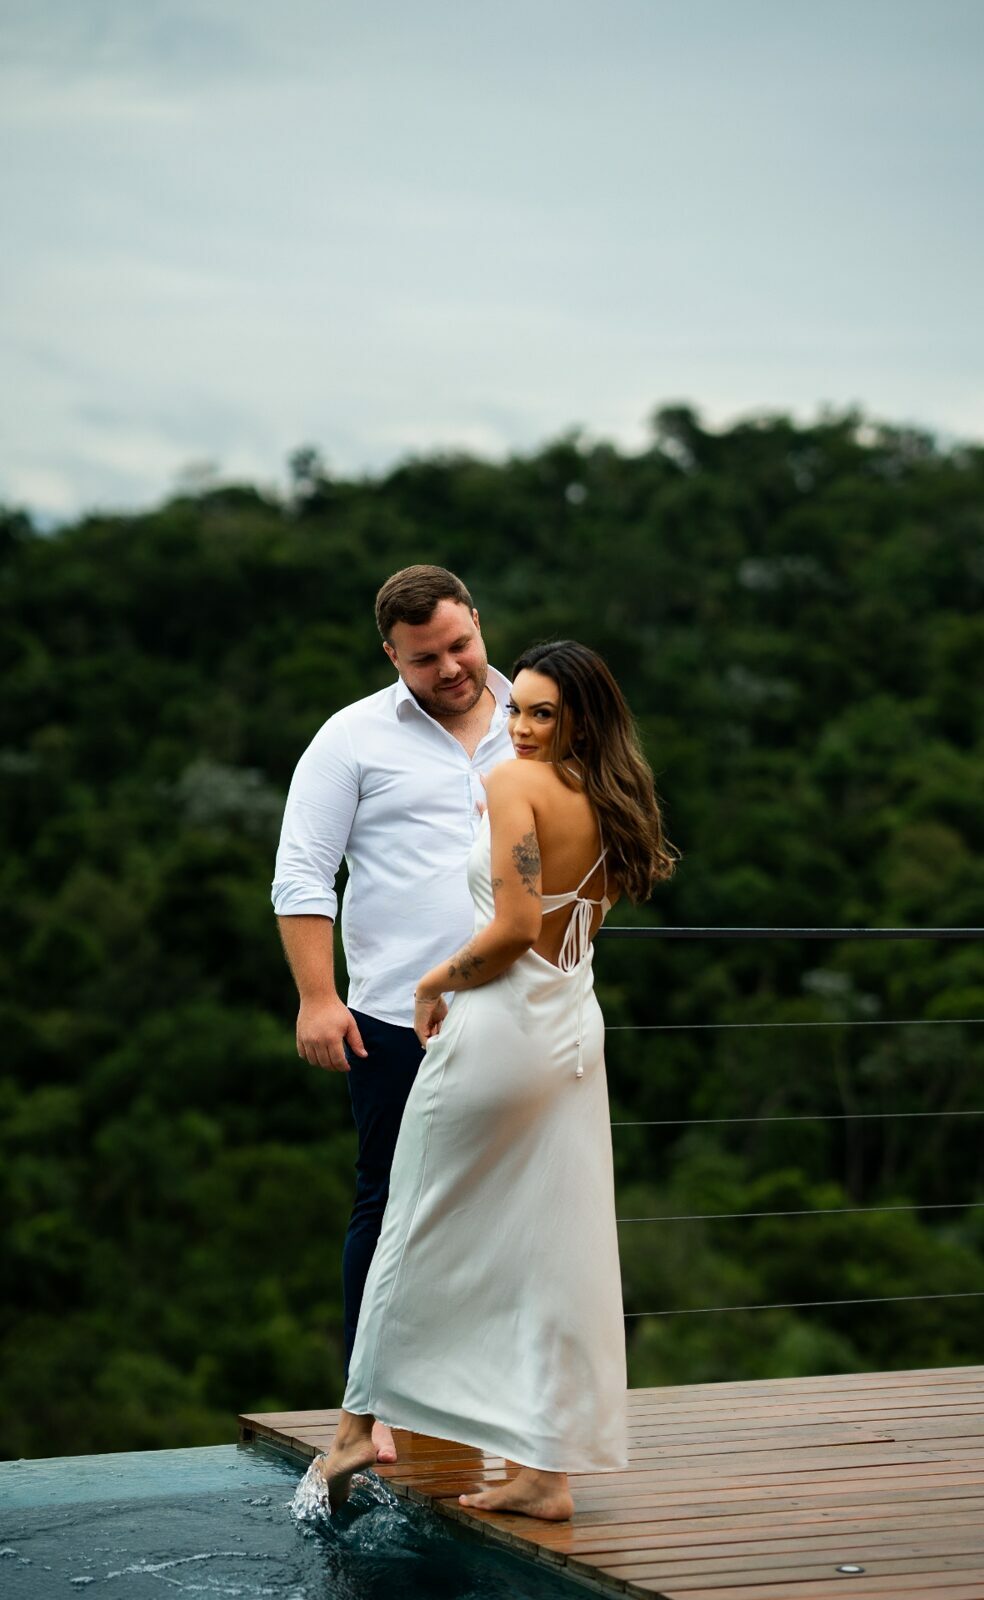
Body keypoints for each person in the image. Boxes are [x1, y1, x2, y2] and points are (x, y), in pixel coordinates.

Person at [314, 640, 678, 1520]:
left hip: (503, 1030)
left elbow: (514, 928)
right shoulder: (613, 798)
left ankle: (357, 1427)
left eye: (543, 713)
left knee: (411, 1220)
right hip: (572, 1033)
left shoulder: (515, 784)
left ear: (580, 721)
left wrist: (432, 983)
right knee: (550, 1247)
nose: (519, 727)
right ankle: (544, 1474)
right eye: (517, 708)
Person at [272, 565, 514, 1465]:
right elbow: (303, 872)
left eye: (459, 646)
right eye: (424, 659)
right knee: (390, 1206)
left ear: (477, 622)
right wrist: (317, 997)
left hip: (523, 1013)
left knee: (509, 1209)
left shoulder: (535, 719)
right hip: (393, 1021)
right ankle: (369, 1405)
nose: (449, 668)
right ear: (391, 656)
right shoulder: (351, 736)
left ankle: (484, 1398)